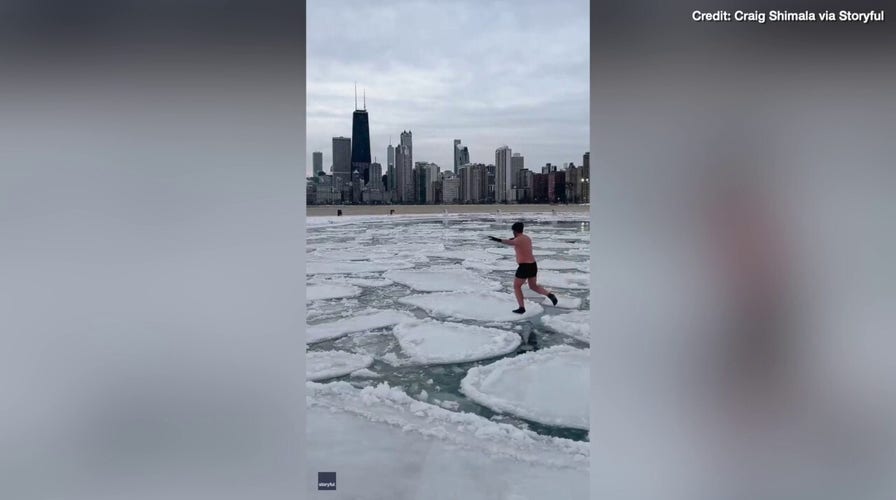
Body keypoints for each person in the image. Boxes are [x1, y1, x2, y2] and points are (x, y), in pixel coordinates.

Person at [489, 222, 558, 313]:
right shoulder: (527, 238)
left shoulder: (517, 240)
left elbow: (510, 242)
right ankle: (550, 295)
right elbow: (517, 240)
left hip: (524, 267)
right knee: (533, 286)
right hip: (533, 265)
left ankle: (521, 308)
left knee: (516, 286)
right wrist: (513, 238)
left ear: (514, 231)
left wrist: (497, 240)